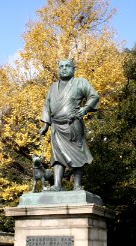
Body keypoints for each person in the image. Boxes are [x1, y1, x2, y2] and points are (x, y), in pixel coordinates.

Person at [39, 59, 99, 191]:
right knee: (57, 155)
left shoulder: (80, 82)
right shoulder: (53, 87)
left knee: (77, 152)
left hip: (73, 124)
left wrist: (85, 109)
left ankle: (77, 185)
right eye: (61, 66)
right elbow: (47, 105)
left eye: (67, 66)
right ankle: (57, 185)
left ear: (73, 69)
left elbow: (94, 96)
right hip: (56, 126)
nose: (64, 69)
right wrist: (45, 124)